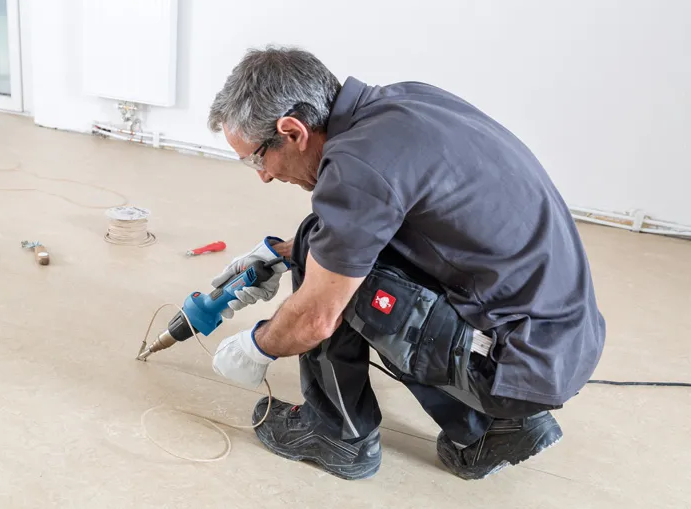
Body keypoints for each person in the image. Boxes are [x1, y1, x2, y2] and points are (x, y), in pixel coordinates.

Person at [206, 46, 605, 481]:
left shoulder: (357, 167)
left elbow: (315, 319)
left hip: (516, 360)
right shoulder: (403, 103)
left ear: (293, 130)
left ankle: (336, 432)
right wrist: (276, 253)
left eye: (257, 158)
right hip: (555, 342)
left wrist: (257, 345)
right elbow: (379, 218)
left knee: (334, 278)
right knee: (316, 241)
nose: (263, 175)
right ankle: (486, 431)